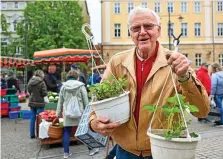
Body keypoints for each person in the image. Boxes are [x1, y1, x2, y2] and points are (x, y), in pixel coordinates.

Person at [89, 7, 210, 159]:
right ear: (130, 34)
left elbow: (202, 111)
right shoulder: (117, 62)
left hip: (164, 150)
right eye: (135, 28)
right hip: (126, 151)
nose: (142, 32)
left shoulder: (175, 62)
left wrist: (185, 77)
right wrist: (93, 122)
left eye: (148, 26)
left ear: (159, 31)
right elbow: (98, 103)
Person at [56, 70, 98, 159]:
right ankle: (91, 150)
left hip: (67, 113)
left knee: (67, 132)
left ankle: (66, 153)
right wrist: (88, 111)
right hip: (80, 112)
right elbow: (85, 100)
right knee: (84, 131)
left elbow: (60, 101)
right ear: (77, 77)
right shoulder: (81, 86)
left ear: (67, 77)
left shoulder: (63, 87)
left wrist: (58, 113)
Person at [28, 70, 47, 139]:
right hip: (40, 103)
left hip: (32, 102)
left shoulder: (30, 81)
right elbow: (44, 93)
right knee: (40, 118)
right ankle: (40, 134)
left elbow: (29, 91)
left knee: (32, 117)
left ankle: (32, 134)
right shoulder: (42, 82)